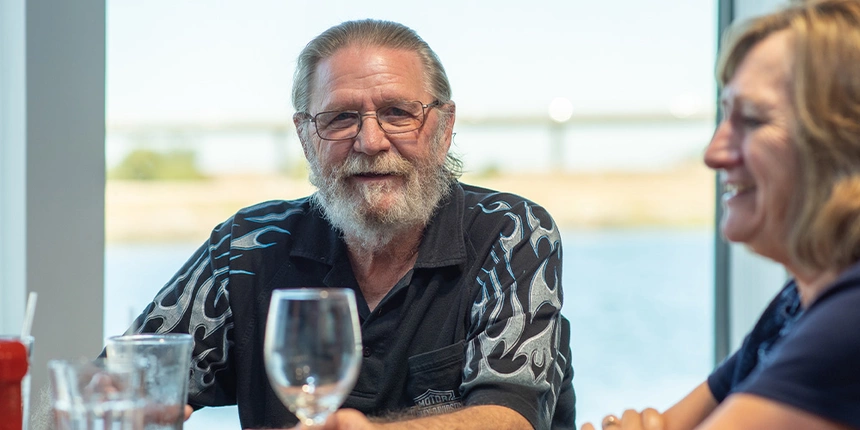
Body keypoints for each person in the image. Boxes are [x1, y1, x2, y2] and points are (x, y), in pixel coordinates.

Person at [124, 19, 576, 430]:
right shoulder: (247, 248)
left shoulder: (510, 231)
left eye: (398, 112)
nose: (371, 141)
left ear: (444, 128)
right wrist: (127, 404)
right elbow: (126, 381)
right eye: (340, 118)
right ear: (305, 136)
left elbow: (513, 418)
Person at [582, 1, 860, 429]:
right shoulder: (795, 306)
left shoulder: (848, 320)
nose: (714, 153)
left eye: (752, 119)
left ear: (843, 143)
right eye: (725, 115)